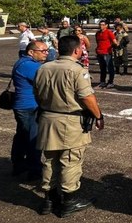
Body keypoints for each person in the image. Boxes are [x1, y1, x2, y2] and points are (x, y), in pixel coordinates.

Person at [34, 35, 104, 217]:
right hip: (69, 121)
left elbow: (37, 94)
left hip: (47, 118)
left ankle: (48, 200)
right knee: (71, 161)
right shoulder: (77, 70)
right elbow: (87, 97)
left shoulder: (44, 68)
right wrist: (98, 115)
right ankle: (69, 201)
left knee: (50, 160)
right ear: (76, 50)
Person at [10, 41, 48, 180]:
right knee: (34, 139)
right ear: (31, 52)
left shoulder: (23, 62)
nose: (46, 53)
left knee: (22, 136)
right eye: (42, 51)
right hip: (30, 107)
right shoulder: (30, 66)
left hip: (23, 105)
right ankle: (34, 170)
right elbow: (46, 81)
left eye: (47, 50)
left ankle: (19, 164)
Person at [94, 20, 118, 88]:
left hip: (107, 53)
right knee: (102, 68)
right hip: (99, 52)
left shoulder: (109, 32)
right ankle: (102, 81)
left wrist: (112, 47)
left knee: (110, 68)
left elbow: (114, 42)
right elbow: (97, 42)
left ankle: (111, 82)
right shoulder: (98, 33)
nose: (101, 26)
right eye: (100, 24)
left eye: (102, 24)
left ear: (106, 25)